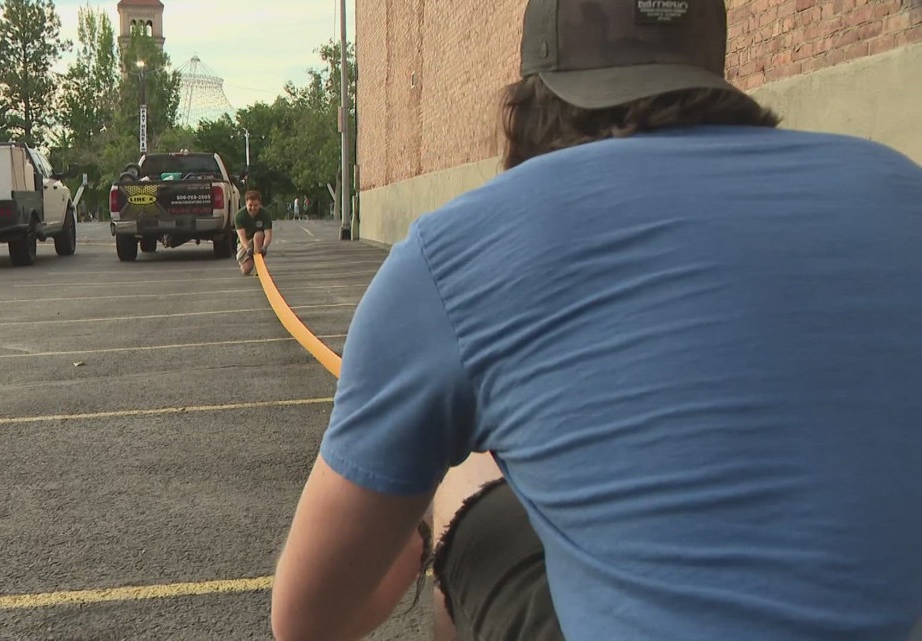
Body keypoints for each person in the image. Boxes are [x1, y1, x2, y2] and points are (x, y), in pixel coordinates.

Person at [269, 0, 922, 640]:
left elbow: (306, 619)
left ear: (528, 100)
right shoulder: (901, 189)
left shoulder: (456, 249)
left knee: (469, 476)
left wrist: (416, 535)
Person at [235, 190, 273, 275]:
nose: (253, 208)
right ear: (246, 204)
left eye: (256, 205)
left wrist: (265, 247)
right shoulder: (239, 216)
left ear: (260, 204)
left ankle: (259, 267)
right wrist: (247, 248)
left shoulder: (265, 214)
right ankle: (251, 260)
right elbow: (242, 237)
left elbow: (268, 234)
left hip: (258, 240)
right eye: (250, 205)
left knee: (258, 234)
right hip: (246, 241)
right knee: (246, 270)